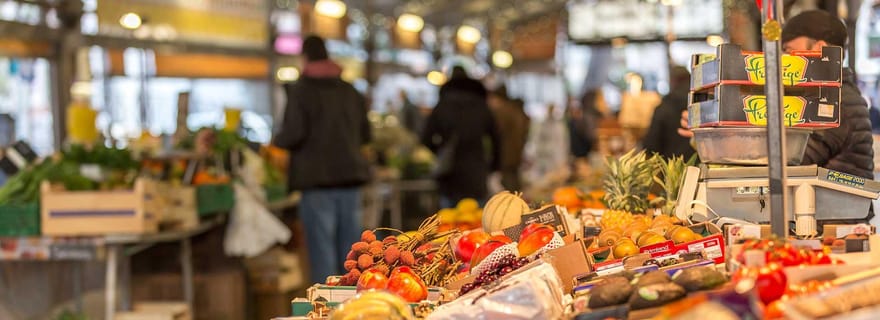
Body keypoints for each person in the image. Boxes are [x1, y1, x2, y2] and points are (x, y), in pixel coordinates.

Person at [680, 10, 874, 179]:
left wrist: (718, 140)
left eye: (788, 50)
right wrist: (711, 133)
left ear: (819, 48)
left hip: (840, 218)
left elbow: (792, 159)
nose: (784, 59)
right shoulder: (816, 96)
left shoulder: (836, 101)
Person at [274, 35, 371, 285]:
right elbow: (365, 134)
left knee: (323, 255)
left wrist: (277, 141)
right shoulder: (350, 91)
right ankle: (356, 309)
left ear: (305, 58)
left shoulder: (300, 91)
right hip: (351, 179)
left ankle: (327, 311)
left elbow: (293, 133)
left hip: (317, 184)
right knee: (353, 257)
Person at [422, 66, 500, 208]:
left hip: (450, 172)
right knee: (477, 220)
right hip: (476, 169)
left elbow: (425, 138)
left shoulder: (442, 105)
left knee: (449, 220)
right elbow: (496, 139)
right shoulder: (481, 105)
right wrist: (494, 166)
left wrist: (440, 150)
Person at [643, 66, 697, 160]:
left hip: (670, 168)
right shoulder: (702, 102)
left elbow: (651, 145)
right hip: (700, 167)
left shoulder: (663, 107)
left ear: (673, 81)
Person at [488, 86, 530, 191]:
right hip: (515, 152)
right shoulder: (514, 109)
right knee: (514, 181)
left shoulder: (501, 111)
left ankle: (514, 205)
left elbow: (496, 133)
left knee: (509, 186)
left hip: (506, 154)